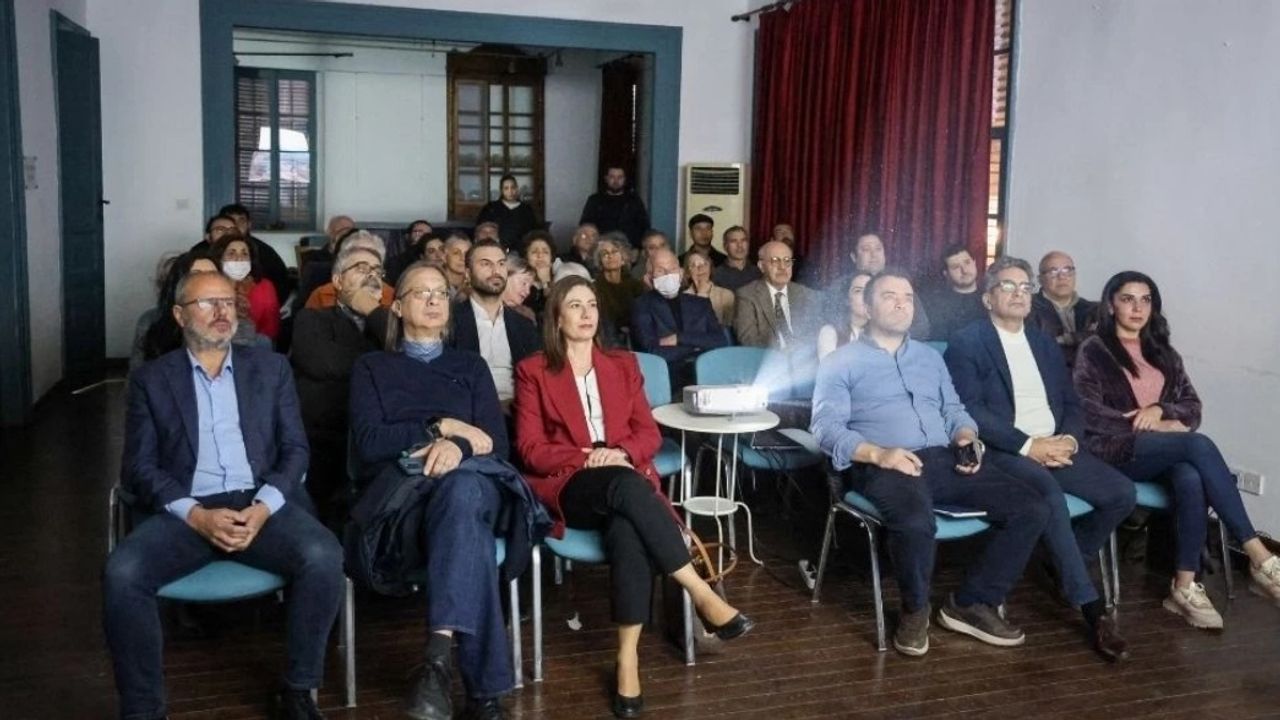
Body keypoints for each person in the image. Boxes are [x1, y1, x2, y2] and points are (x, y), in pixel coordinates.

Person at [104, 271, 343, 720]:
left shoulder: (270, 369)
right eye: (207, 303)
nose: (221, 312)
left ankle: (298, 689)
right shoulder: (153, 380)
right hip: (188, 510)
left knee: (324, 555)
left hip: (259, 503)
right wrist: (195, 515)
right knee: (123, 573)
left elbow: (296, 449)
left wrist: (264, 507)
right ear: (179, 316)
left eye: (228, 303)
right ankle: (143, 709)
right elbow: (138, 468)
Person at [514, 276, 752, 718]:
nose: (586, 313)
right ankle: (700, 591)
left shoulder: (622, 365)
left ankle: (627, 658)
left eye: (591, 304)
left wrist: (622, 453)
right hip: (571, 484)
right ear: (556, 317)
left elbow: (648, 433)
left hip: (624, 479)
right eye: (575, 305)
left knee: (627, 528)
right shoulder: (534, 370)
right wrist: (590, 457)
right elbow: (530, 449)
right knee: (626, 488)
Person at [810, 269, 1050, 657]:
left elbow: (954, 409)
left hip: (943, 457)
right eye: (889, 296)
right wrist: (879, 453)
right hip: (884, 463)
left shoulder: (930, 358)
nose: (901, 303)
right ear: (867, 307)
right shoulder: (841, 361)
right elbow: (824, 428)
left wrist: (966, 437)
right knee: (916, 521)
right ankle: (915, 609)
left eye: (907, 296)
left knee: (1032, 507)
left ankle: (970, 603)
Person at [348, 262, 532, 720]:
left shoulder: (470, 366)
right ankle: (483, 693)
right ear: (397, 306)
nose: (433, 300)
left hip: (476, 480)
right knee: (466, 525)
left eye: (440, 293)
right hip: (408, 494)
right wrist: (441, 428)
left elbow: (496, 443)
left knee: (463, 488)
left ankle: (435, 662)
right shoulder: (372, 367)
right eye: (420, 293)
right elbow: (369, 443)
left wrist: (457, 446)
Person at [944, 256, 1133, 661]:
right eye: (1007, 286)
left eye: (1024, 287)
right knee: (1048, 497)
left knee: (1121, 493)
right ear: (987, 298)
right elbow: (971, 409)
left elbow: (1071, 402)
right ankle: (1092, 609)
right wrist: (1029, 446)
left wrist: (1069, 441)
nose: (1018, 294)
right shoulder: (967, 342)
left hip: (1056, 446)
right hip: (1005, 451)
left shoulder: (1044, 343)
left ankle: (1061, 560)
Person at [1073, 271, 1280, 629]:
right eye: (1127, 299)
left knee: (1190, 476)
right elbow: (1086, 411)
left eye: (1146, 300)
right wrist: (1148, 423)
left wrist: (1161, 411)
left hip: (1161, 452)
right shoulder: (1094, 350)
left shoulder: (1164, 352)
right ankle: (1259, 555)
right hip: (1114, 449)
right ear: (1111, 305)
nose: (1137, 308)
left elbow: (1192, 407)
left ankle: (1183, 588)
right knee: (1197, 445)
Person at [289, 243, 391, 523]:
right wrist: (380, 365)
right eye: (361, 268)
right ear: (337, 281)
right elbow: (325, 363)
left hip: (377, 439)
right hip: (325, 437)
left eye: (377, 271)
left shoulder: (387, 323)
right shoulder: (311, 318)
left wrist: (374, 311)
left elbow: (405, 357)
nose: (372, 275)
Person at [449, 240, 541, 406]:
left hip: (519, 410)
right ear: (468, 274)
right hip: (469, 409)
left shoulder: (524, 326)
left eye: (501, 264)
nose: (496, 271)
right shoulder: (450, 321)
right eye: (486, 264)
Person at [631, 249, 728, 385]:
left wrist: (679, 338)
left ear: (681, 273)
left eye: (672, 269)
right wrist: (696, 347)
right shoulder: (641, 305)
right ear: (649, 277)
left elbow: (720, 340)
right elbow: (651, 350)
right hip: (668, 377)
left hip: (707, 375)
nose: (668, 274)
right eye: (660, 270)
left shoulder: (700, 303)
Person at [131, 249, 218, 371]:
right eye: (195, 275)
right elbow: (137, 376)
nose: (205, 282)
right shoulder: (151, 321)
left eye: (212, 275)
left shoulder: (234, 325)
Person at [191, 204, 292, 306]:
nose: (228, 233)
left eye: (240, 222)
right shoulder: (198, 253)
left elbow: (281, 284)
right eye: (221, 229)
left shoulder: (262, 251)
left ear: (249, 225)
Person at [835, 232, 931, 339]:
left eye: (878, 249)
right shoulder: (841, 286)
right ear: (854, 257)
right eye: (866, 249)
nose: (874, 255)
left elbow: (922, 327)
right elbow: (832, 321)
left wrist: (890, 337)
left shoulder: (899, 282)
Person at [732, 240, 819, 350]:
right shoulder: (747, 295)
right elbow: (748, 339)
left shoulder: (807, 294)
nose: (782, 267)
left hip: (805, 355)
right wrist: (782, 346)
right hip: (768, 356)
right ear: (761, 266)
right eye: (775, 261)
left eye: (787, 261)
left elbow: (818, 330)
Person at [1030, 251, 1097, 368]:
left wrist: (1067, 339)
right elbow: (1035, 348)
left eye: (1067, 270)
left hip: (1089, 376)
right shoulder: (1027, 308)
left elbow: (1105, 342)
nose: (1062, 277)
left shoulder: (1094, 310)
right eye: (1053, 271)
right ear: (1040, 279)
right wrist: (1083, 337)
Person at [211, 232, 281, 342]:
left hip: (254, 345)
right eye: (231, 254)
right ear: (220, 259)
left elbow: (270, 330)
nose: (239, 259)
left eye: (244, 254)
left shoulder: (265, 286)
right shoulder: (209, 286)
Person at [304, 230, 396, 310]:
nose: (371, 274)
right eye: (362, 268)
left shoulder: (393, 298)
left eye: (376, 269)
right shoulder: (321, 295)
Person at [921, 244, 988, 342]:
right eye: (956, 267)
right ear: (946, 273)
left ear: (974, 263)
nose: (964, 270)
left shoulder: (990, 299)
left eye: (967, 262)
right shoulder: (936, 303)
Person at [578, 165, 650, 248]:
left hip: (630, 249)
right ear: (606, 179)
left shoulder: (634, 201)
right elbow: (585, 226)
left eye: (620, 177)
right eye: (612, 177)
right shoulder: (595, 200)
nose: (616, 181)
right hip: (600, 248)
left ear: (625, 179)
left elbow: (644, 227)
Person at [593, 233, 647, 336]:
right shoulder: (594, 288)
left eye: (614, 252)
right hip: (606, 336)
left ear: (623, 258)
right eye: (605, 253)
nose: (610, 256)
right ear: (600, 261)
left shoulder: (636, 286)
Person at [815, 271, 872, 360]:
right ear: (847, 299)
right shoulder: (830, 332)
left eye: (870, 291)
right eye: (858, 291)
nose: (865, 296)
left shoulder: (883, 335)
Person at [476, 174, 540, 253]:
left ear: (517, 189)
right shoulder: (491, 208)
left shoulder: (526, 210)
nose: (510, 191)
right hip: (495, 250)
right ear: (501, 190)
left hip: (521, 252)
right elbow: (482, 229)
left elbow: (533, 233)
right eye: (506, 188)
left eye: (513, 187)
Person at [682, 250, 734, 328]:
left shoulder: (726, 295)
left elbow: (728, 330)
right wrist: (701, 294)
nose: (700, 268)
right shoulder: (682, 298)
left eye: (704, 264)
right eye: (694, 265)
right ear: (688, 273)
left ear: (710, 268)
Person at [711, 225, 761, 292]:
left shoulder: (759, 273)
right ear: (725, 246)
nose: (740, 245)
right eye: (733, 241)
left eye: (743, 240)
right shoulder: (716, 275)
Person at [521, 230, 555, 318]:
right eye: (534, 252)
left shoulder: (560, 280)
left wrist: (546, 282)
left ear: (551, 259)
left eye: (545, 252)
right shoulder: (520, 284)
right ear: (526, 257)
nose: (540, 256)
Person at [501, 256, 539, 325]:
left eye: (530, 287)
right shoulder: (484, 308)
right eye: (524, 283)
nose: (528, 292)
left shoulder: (527, 315)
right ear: (504, 277)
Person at [443, 233, 473, 299]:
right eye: (456, 253)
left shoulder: (475, 284)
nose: (462, 258)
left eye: (466, 254)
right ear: (444, 257)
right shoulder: (434, 282)